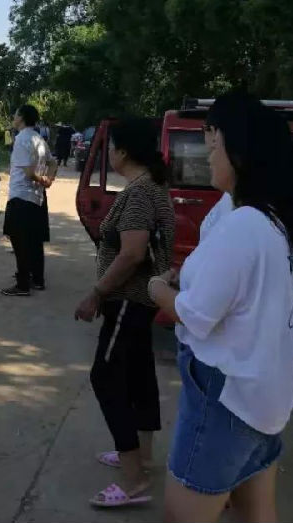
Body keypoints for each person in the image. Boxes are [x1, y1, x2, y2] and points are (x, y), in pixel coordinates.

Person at [148, 92, 293, 523]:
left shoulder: (245, 225)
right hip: (263, 396)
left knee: (181, 515)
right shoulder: (272, 218)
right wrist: (187, 277)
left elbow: (195, 315)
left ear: (239, 152)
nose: (208, 156)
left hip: (227, 398)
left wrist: (157, 289)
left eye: (214, 146)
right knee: (256, 512)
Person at [73, 118, 175, 508]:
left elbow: (132, 253)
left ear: (124, 152)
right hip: (142, 300)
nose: (109, 154)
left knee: (106, 376)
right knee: (138, 375)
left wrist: (97, 293)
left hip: (129, 300)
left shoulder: (139, 193)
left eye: (111, 147)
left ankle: (133, 479)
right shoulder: (152, 187)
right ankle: (142, 456)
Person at [1, 104, 57, 296]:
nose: (13, 117)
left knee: (19, 240)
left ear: (22, 117)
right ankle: (37, 279)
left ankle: (23, 283)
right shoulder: (39, 139)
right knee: (34, 239)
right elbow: (52, 162)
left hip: (21, 196)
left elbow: (28, 172)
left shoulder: (22, 139)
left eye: (16, 114)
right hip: (36, 197)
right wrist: (49, 179)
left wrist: (43, 180)